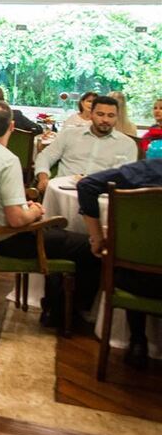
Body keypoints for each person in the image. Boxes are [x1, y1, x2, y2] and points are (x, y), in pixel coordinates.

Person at [0, 101, 99, 322]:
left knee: (58, 233)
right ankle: (66, 312)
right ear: (12, 127)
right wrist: (35, 211)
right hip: (8, 240)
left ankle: (53, 305)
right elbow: (16, 220)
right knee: (89, 246)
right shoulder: (7, 161)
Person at [77, 158, 162, 369]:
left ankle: (137, 342)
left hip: (134, 280)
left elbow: (86, 185)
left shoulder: (145, 170)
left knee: (132, 260)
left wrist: (97, 239)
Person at [34, 95, 137, 197]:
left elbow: (126, 177)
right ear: (91, 114)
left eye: (111, 115)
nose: (105, 119)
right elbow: (45, 156)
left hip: (101, 196)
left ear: (117, 117)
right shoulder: (69, 134)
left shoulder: (127, 144)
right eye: (100, 114)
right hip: (62, 191)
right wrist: (43, 177)